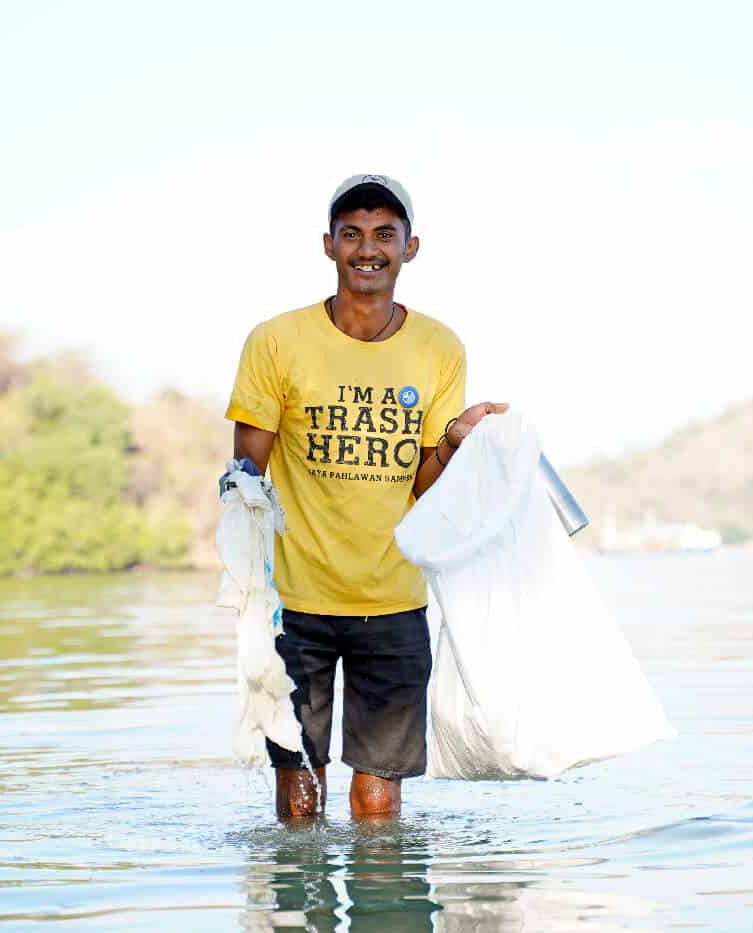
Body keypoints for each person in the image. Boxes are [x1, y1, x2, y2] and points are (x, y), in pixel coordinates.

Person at [225, 173, 507, 820]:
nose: (367, 248)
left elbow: (423, 488)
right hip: (294, 605)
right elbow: (247, 473)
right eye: (352, 234)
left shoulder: (439, 348)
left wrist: (455, 442)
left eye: (385, 233)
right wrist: (249, 597)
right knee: (298, 802)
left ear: (411, 248)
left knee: (379, 807)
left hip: (395, 601)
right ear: (328, 246)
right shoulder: (277, 341)